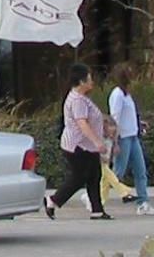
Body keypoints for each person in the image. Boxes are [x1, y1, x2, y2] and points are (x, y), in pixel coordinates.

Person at [45, 64, 111, 221]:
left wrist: (103, 129)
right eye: (89, 78)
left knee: (94, 175)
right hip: (77, 145)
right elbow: (82, 123)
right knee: (80, 176)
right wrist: (97, 142)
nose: (92, 81)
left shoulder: (82, 98)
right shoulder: (77, 100)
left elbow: (93, 118)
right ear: (81, 81)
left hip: (87, 146)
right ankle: (53, 200)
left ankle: (97, 210)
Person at [107, 65, 154, 215]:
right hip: (123, 138)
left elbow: (127, 116)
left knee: (140, 171)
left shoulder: (127, 95)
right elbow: (115, 118)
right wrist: (115, 141)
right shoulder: (117, 94)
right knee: (117, 173)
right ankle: (93, 196)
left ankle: (143, 202)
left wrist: (138, 124)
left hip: (133, 136)